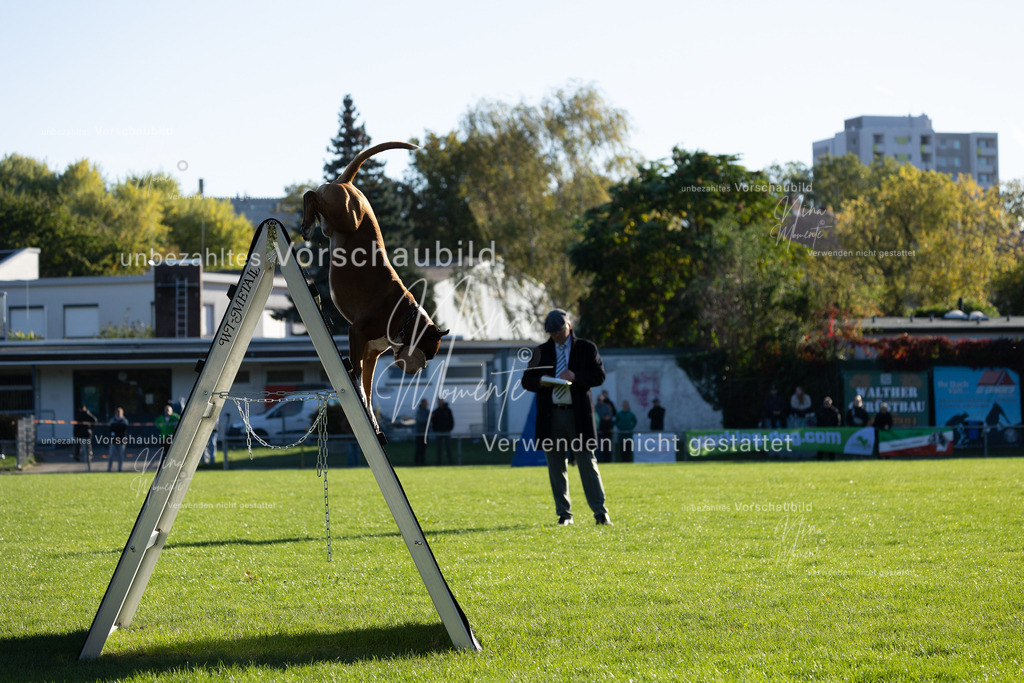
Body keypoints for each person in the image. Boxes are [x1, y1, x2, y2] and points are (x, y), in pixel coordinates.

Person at [521, 309, 611, 526]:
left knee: (587, 463)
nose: (556, 336)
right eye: (552, 333)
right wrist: (541, 382)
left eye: (559, 331)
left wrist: (576, 377)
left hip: (578, 415)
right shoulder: (541, 351)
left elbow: (599, 376)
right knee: (555, 466)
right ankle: (564, 514)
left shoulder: (586, 348)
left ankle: (600, 513)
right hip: (552, 416)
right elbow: (526, 380)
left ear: (568, 326)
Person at [816, 396, 842, 460]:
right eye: (825, 403)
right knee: (821, 446)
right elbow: (818, 422)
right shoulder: (821, 411)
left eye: (828, 403)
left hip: (831, 432)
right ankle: (819, 460)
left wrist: (834, 429)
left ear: (831, 403)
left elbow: (838, 422)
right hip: (822, 432)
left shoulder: (834, 411)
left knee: (831, 446)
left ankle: (832, 460)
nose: (826, 404)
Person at [432, 397, 455, 465]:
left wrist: (449, 428)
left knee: (448, 447)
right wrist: (435, 429)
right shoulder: (435, 411)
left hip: (446, 431)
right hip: (438, 432)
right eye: (438, 401)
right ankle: (439, 462)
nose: (439, 402)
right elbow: (433, 422)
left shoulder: (448, 410)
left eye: (440, 401)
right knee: (439, 448)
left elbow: (451, 420)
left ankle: (450, 461)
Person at [107, 407, 129, 472]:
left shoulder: (124, 421)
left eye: (119, 413)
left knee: (121, 455)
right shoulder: (112, 420)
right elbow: (110, 429)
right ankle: (109, 469)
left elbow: (125, 430)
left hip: (122, 440)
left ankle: (120, 468)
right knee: (111, 455)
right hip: (113, 441)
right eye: (117, 413)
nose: (118, 414)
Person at [595, 394, 615, 463]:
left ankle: (607, 461)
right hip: (598, 431)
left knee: (607, 448)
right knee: (598, 448)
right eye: (598, 400)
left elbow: (609, 416)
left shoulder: (606, 407)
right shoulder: (595, 407)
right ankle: (599, 460)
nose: (599, 401)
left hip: (606, 430)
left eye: (600, 400)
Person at [414, 398, 430, 466]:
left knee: (423, 449)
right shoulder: (419, 411)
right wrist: (428, 419)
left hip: (425, 433)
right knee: (419, 448)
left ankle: (422, 461)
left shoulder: (427, 411)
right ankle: (417, 462)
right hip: (419, 433)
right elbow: (420, 420)